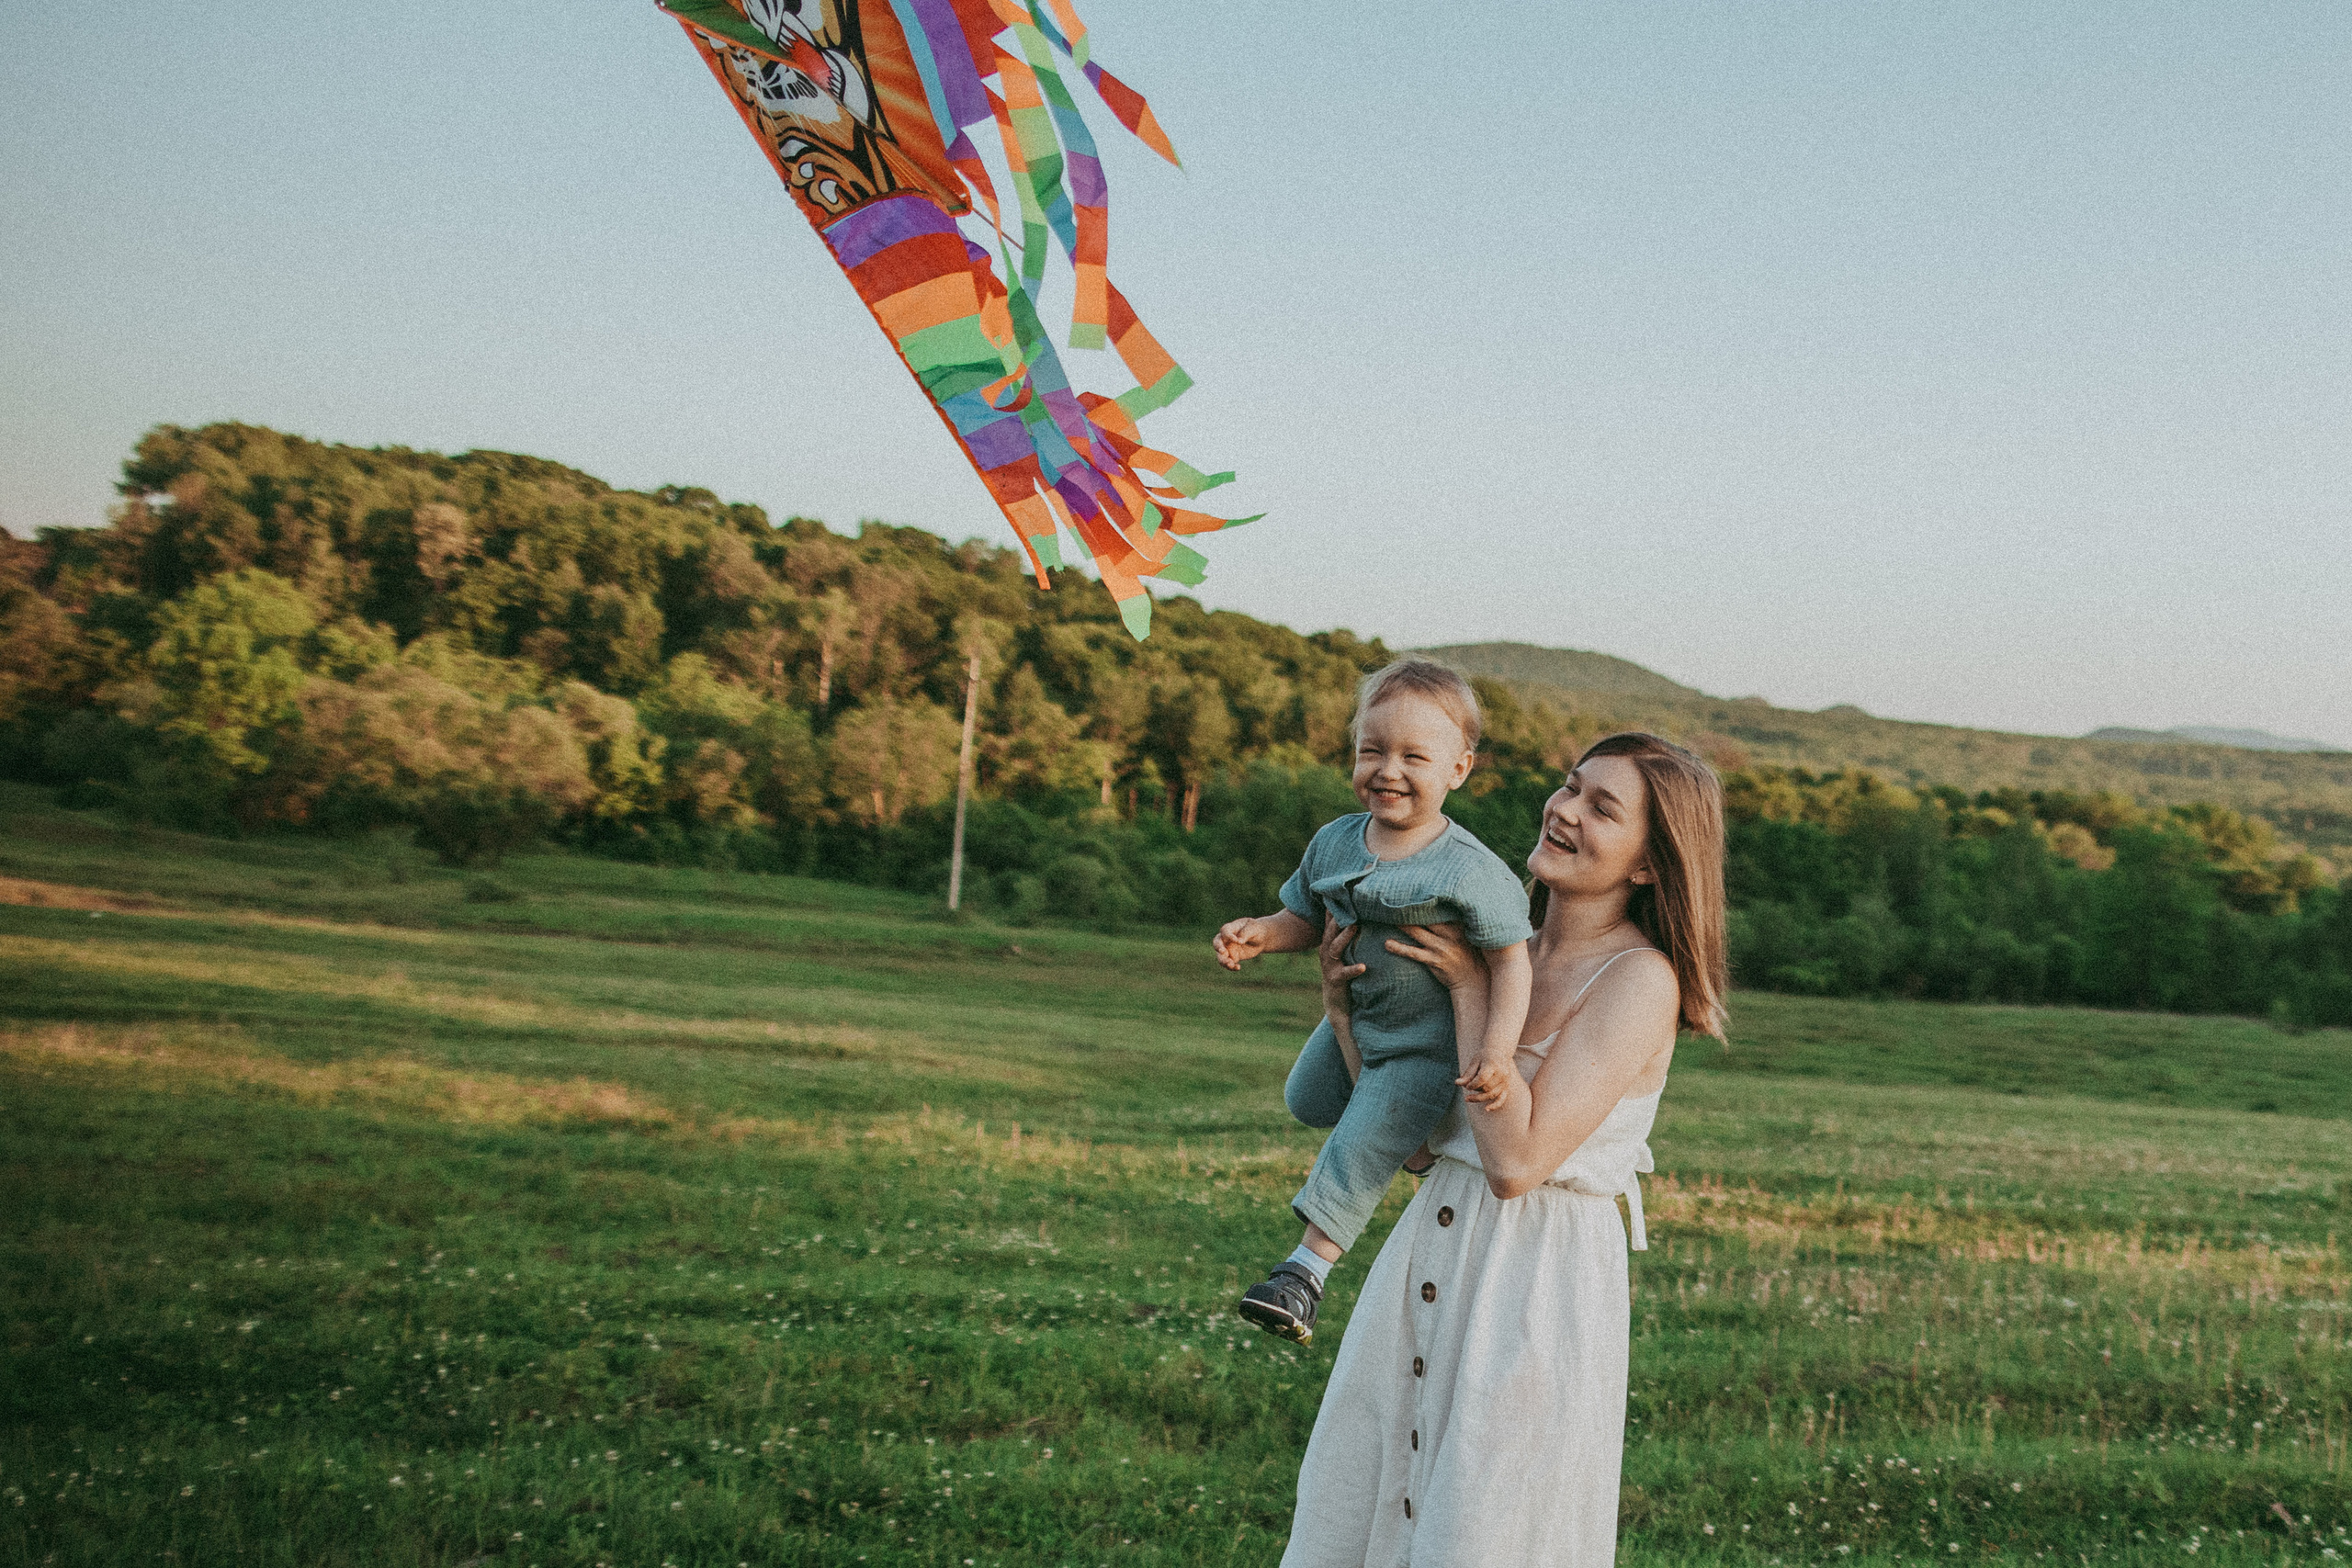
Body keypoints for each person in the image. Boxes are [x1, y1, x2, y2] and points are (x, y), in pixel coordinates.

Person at [1279, 732, 1729, 1568]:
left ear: (1650, 864)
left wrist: (1466, 990)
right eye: (1569, 786)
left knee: (1486, 1523)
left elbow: (1517, 1162)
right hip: (1423, 1257)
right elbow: (1412, 1146)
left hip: (1534, 1286)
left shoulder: (1638, 980)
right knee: (1364, 1502)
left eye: (1603, 806)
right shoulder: (1491, 942)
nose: (1563, 810)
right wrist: (1345, 1017)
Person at [1214, 658, 1535, 1346]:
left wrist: (1497, 1052)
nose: (1388, 769)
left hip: (1425, 1046)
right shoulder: (1334, 839)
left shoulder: (1472, 870)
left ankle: (1303, 1275)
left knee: (1356, 1145)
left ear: (1459, 769)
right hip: (1359, 1022)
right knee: (1306, 1099)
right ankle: (1407, 1141)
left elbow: (1512, 961)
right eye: (1372, 750)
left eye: (1414, 756)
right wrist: (1261, 935)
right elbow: (1304, 915)